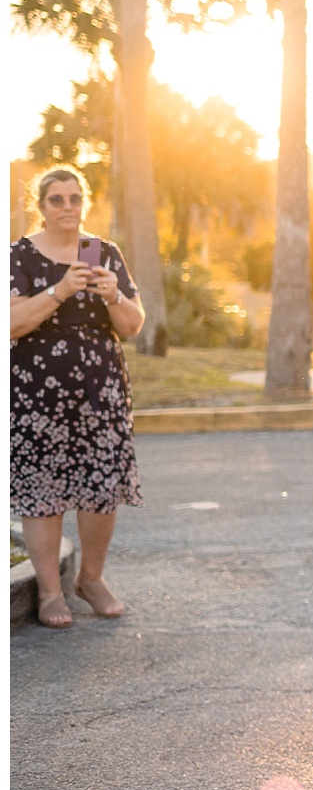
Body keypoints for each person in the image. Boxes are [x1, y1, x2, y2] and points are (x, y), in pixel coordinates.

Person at [10, 166, 146, 628]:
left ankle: (91, 578)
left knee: (100, 489)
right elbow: (11, 324)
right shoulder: (20, 256)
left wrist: (112, 296)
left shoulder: (104, 253)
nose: (67, 207)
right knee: (43, 494)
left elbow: (132, 325)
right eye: (56, 199)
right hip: (36, 395)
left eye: (74, 198)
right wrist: (60, 288)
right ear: (41, 205)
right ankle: (50, 593)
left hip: (100, 390)